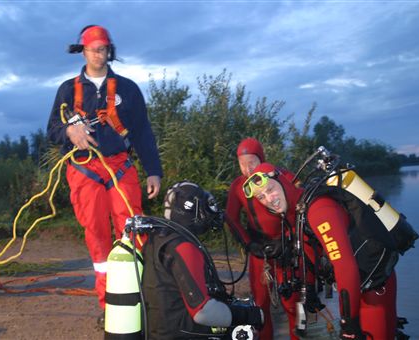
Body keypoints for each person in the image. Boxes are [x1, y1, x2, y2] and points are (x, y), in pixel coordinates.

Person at [46, 25, 163, 310]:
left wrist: (153, 170)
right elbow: (52, 130)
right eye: (93, 49)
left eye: (103, 49)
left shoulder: (127, 89)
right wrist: (69, 133)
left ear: (109, 51)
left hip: (120, 167)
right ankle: (108, 305)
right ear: (83, 51)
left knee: (133, 230)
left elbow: (142, 132)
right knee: (97, 236)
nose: (99, 54)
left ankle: (138, 300)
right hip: (84, 170)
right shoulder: (67, 90)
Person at [243, 162, 398, 339]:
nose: (269, 200)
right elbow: (308, 251)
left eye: (270, 189)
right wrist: (308, 287)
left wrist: (348, 322)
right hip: (356, 288)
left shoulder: (319, 210)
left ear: (284, 182)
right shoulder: (297, 213)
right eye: (261, 197)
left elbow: (345, 268)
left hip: (374, 287)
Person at [141, 181, 264, 339]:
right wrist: (249, 315)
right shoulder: (183, 247)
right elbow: (203, 312)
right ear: (194, 211)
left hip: (161, 330)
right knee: (247, 332)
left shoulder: (157, 238)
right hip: (182, 333)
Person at [225, 138, 302, 340]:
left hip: (287, 249)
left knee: (294, 304)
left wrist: (289, 240)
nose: (248, 169)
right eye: (242, 164)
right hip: (260, 252)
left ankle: (299, 336)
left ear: (262, 159)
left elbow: (299, 209)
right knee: (260, 304)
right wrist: (249, 244)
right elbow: (231, 218)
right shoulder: (238, 186)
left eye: (252, 162)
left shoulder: (282, 176)